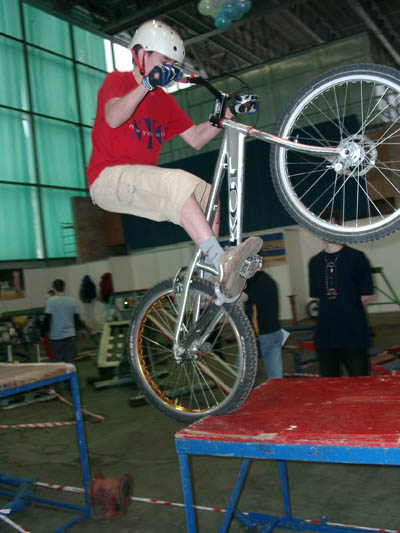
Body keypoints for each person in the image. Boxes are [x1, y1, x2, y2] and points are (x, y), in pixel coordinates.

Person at [86, 19, 262, 299]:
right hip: (107, 178)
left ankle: (210, 283)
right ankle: (220, 260)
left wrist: (230, 113)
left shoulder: (165, 103)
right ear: (141, 55)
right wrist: (146, 84)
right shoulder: (117, 81)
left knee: (209, 197)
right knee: (176, 182)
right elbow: (114, 117)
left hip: (138, 179)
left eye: (173, 64)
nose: (169, 68)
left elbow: (196, 138)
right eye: (164, 61)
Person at [308, 212, 375, 377]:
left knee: (360, 384)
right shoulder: (314, 263)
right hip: (326, 338)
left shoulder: (357, 258)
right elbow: (318, 298)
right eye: (323, 227)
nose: (327, 231)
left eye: (332, 226)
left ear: (340, 228)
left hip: (354, 336)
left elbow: (366, 296)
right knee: (330, 386)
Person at [245, 270, 283, 379]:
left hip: (262, 334)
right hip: (276, 331)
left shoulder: (251, 283)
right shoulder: (270, 280)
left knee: (240, 370)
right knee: (276, 376)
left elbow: (250, 311)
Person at [40, 279, 82, 366]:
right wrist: (76, 332)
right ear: (64, 288)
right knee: (70, 363)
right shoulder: (72, 300)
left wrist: (42, 334)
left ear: (54, 288)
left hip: (56, 337)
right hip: (70, 336)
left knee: (57, 363)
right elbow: (77, 320)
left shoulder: (51, 301)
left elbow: (47, 319)